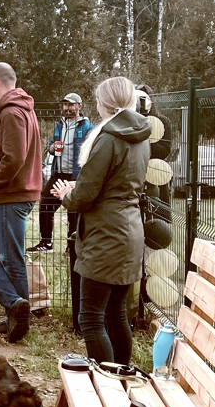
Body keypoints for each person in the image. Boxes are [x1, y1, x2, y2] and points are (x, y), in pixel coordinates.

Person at [50, 76, 150, 365]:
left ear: (105, 103)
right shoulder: (140, 136)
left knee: (91, 317)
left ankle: (106, 384)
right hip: (129, 230)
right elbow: (116, 184)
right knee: (117, 313)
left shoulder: (108, 138)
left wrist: (68, 195)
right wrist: (79, 191)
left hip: (106, 235)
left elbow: (87, 194)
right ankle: (122, 378)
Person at [0, 63, 42, 343]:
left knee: (9, 257)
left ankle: (18, 315)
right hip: (13, 194)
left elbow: (13, 158)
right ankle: (14, 308)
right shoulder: (16, 109)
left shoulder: (13, 113)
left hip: (10, 195)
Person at [27, 93, 94, 253]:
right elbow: (52, 144)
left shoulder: (87, 127)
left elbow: (90, 151)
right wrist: (51, 148)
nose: (67, 108)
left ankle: (72, 247)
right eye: (64, 105)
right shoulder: (60, 125)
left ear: (79, 106)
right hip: (59, 174)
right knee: (45, 206)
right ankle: (46, 243)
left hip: (75, 176)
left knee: (73, 212)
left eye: (70, 105)